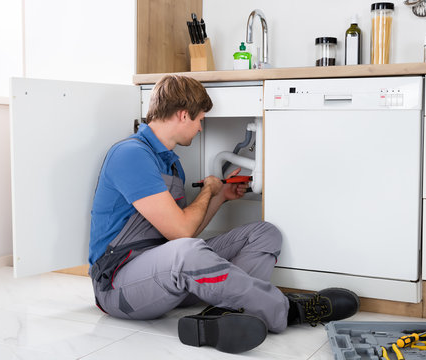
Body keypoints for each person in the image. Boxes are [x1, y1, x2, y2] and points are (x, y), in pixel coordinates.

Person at [88, 74, 360, 354]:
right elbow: (181, 235)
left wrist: (219, 197)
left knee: (264, 234)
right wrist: (207, 191)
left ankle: (219, 318)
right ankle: (289, 310)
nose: (200, 128)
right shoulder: (130, 154)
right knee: (186, 251)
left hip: (167, 273)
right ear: (183, 115)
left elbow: (185, 231)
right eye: (199, 120)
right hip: (119, 285)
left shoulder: (171, 164)